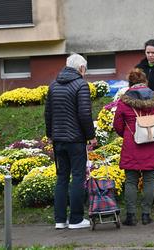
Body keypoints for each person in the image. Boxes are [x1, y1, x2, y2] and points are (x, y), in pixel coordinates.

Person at [45, 53, 97, 229]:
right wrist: (90, 136)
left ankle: (60, 220)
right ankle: (75, 219)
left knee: (61, 178)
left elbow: (48, 113)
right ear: (81, 68)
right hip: (75, 140)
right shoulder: (81, 85)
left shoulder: (53, 85)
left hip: (58, 139)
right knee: (77, 177)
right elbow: (84, 114)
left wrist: (50, 134)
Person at [113, 68, 154, 226]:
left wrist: (129, 135)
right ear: (145, 82)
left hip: (132, 144)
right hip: (152, 142)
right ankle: (146, 215)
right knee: (149, 180)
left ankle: (130, 216)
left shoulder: (124, 102)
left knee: (131, 181)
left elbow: (117, 125)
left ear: (130, 83)